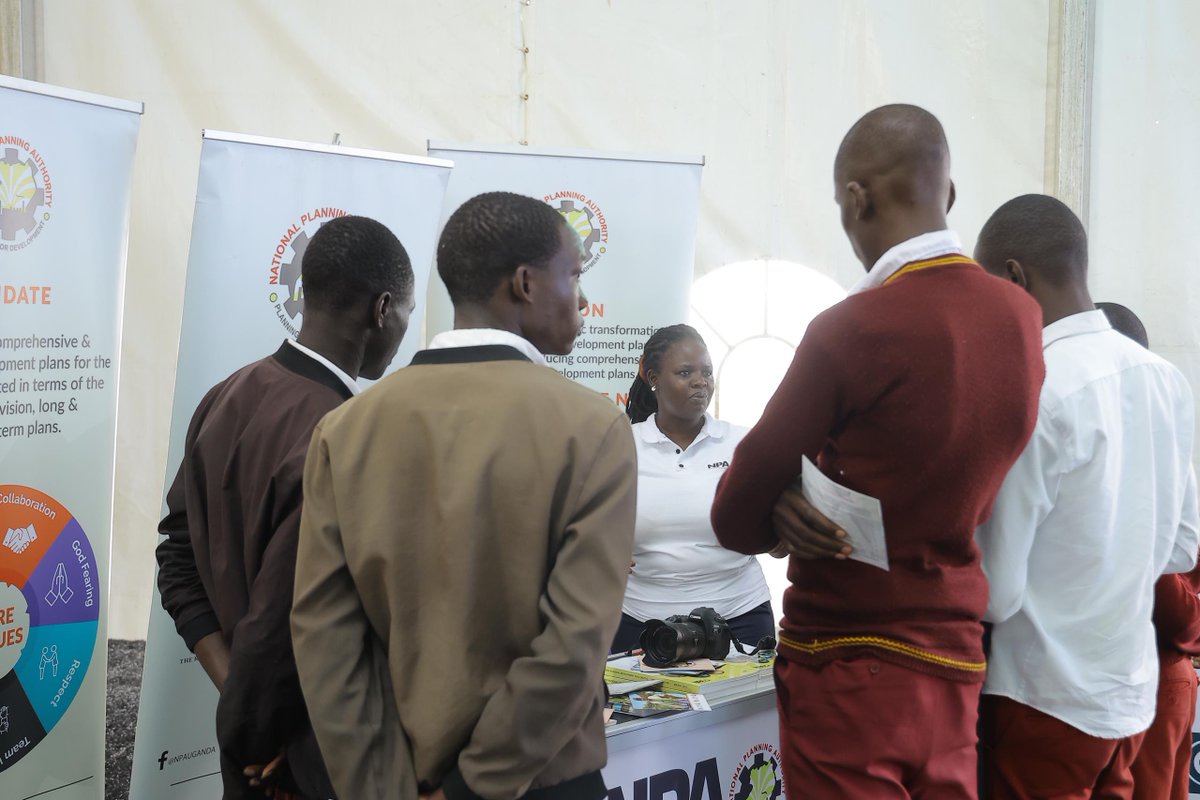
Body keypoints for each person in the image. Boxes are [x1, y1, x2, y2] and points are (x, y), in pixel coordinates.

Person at [710, 104, 1045, 798]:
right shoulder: (1020, 316)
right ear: (949, 193)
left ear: (857, 200)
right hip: (955, 656)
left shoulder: (853, 327)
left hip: (847, 654)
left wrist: (782, 500)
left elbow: (734, 515)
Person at [291, 191, 637, 800]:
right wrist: (471, 786)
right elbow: (573, 647)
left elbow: (326, 640)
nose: (582, 299)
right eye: (575, 275)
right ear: (526, 284)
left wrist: (381, 787)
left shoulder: (344, 430)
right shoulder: (593, 429)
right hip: (539, 781)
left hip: (397, 780)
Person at [156, 215, 415, 799]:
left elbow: (178, 561)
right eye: (407, 312)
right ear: (382, 309)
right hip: (311, 762)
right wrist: (263, 730)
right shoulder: (346, 437)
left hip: (251, 751)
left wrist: (237, 700)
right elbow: (285, 616)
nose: (404, 329)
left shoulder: (225, 395)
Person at [973, 196, 1199, 799]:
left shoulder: (1038, 389)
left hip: (1043, 696)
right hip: (1128, 691)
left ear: (1015, 278)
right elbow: (1182, 548)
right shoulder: (1165, 379)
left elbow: (998, 592)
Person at [609, 323, 773, 654]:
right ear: (653, 378)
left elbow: (778, 532)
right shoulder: (619, 445)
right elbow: (586, 521)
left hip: (740, 613)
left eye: (706, 372)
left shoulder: (743, 443)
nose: (701, 381)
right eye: (685, 372)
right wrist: (601, 547)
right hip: (642, 622)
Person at [1096, 301, 1200, 800]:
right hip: (1158, 675)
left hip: (1148, 675)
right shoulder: (1163, 447)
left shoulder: (1140, 456)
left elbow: (1180, 612)